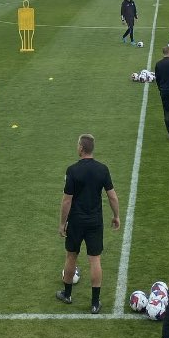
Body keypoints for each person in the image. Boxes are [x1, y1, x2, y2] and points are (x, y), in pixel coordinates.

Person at [56, 133, 120, 314]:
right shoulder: (102, 169)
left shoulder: (72, 170)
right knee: (95, 260)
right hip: (94, 222)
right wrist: (116, 216)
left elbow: (66, 201)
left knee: (71, 256)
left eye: (78, 145)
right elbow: (112, 196)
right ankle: (94, 303)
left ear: (82, 148)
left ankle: (67, 295)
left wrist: (62, 224)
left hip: (75, 222)